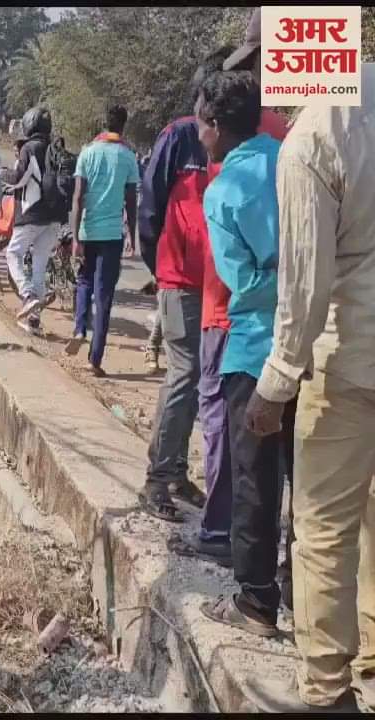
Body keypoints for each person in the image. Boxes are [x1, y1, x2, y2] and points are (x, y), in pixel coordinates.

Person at [238, 62, 375, 714]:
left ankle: (326, 693)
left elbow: (305, 289)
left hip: (351, 363)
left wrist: (275, 385)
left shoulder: (314, 137)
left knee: (324, 531)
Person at [192, 70, 297, 652]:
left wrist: (274, 281)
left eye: (202, 124)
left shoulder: (224, 189)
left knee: (254, 477)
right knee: (306, 478)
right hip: (314, 342)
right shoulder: (291, 160)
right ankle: (304, 591)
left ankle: (256, 599)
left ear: (214, 126)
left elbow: (240, 281)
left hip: (257, 348)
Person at [136, 48, 230, 530]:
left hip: (218, 283)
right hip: (182, 279)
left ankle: (173, 472)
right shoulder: (179, 137)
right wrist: (160, 267)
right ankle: (157, 478)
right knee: (185, 372)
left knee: (203, 379)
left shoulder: (236, 139)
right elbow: (149, 205)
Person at [65, 104, 139, 376]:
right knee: (105, 295)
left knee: (84, 282)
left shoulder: (88, 152)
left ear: (103, 122)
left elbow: (77, 197)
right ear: (123, 125)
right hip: (112, 235)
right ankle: (95, 359)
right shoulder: (128, 157)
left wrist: (75, 237)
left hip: (87, 231)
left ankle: (79, 328)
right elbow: (131, 200)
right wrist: (132, 233)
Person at [6, 107, 64, 336]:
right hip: (53, 218)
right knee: (39, 265)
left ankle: (27, 294)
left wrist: (3, 175)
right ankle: (33, 320)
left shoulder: (29, 147)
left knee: (13, 253)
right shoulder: (56, 148)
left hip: (31, 213)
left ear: (29, 124)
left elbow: (20, 177)